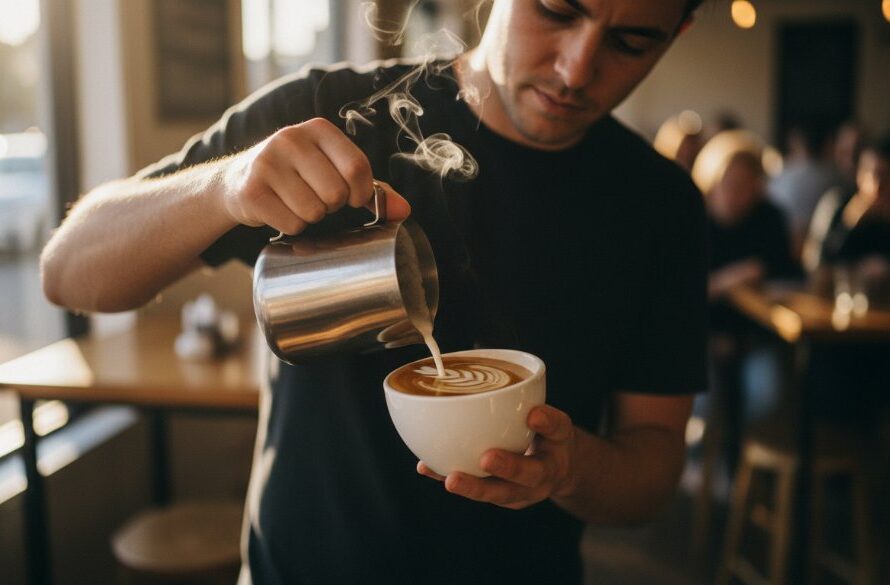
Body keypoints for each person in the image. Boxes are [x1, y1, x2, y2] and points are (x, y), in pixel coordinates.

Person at [40, 1, 708, 584]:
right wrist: (224, 187)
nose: (576, 68)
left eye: (630, 41)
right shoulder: (324, 115)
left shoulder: (661, 206)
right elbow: (69, 271)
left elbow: (652, 466)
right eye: (558, 9)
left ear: (678, 31)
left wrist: (573, 469)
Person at [692, 130, 799, 472]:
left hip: (756, 337)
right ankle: (720, 460)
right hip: (703, 338)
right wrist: (728, 281)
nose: (737, 193)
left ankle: (741, 463)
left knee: (766, 396)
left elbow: (793, 279)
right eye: (729, 182)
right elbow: (679, 293)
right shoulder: (693, 218)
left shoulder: (770, 218)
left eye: (747, 183)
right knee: (708, 400)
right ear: (712, 180)